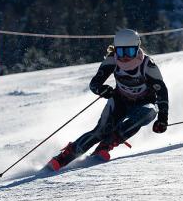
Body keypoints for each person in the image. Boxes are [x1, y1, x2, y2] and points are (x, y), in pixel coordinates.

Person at [48, 28, 169, 170]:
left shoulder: (147, 65)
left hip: (143, 103)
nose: (125, 57)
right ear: (115, 50)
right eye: (121, 52)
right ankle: (64, 157)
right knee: (101, 131)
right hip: (120, 101)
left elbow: (161, 91)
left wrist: (162, 119)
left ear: (137, 49)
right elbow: (94, 84)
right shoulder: (113, 59)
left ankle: (107, 144)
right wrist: (101, 89)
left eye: (130, 52)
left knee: (149, 112)